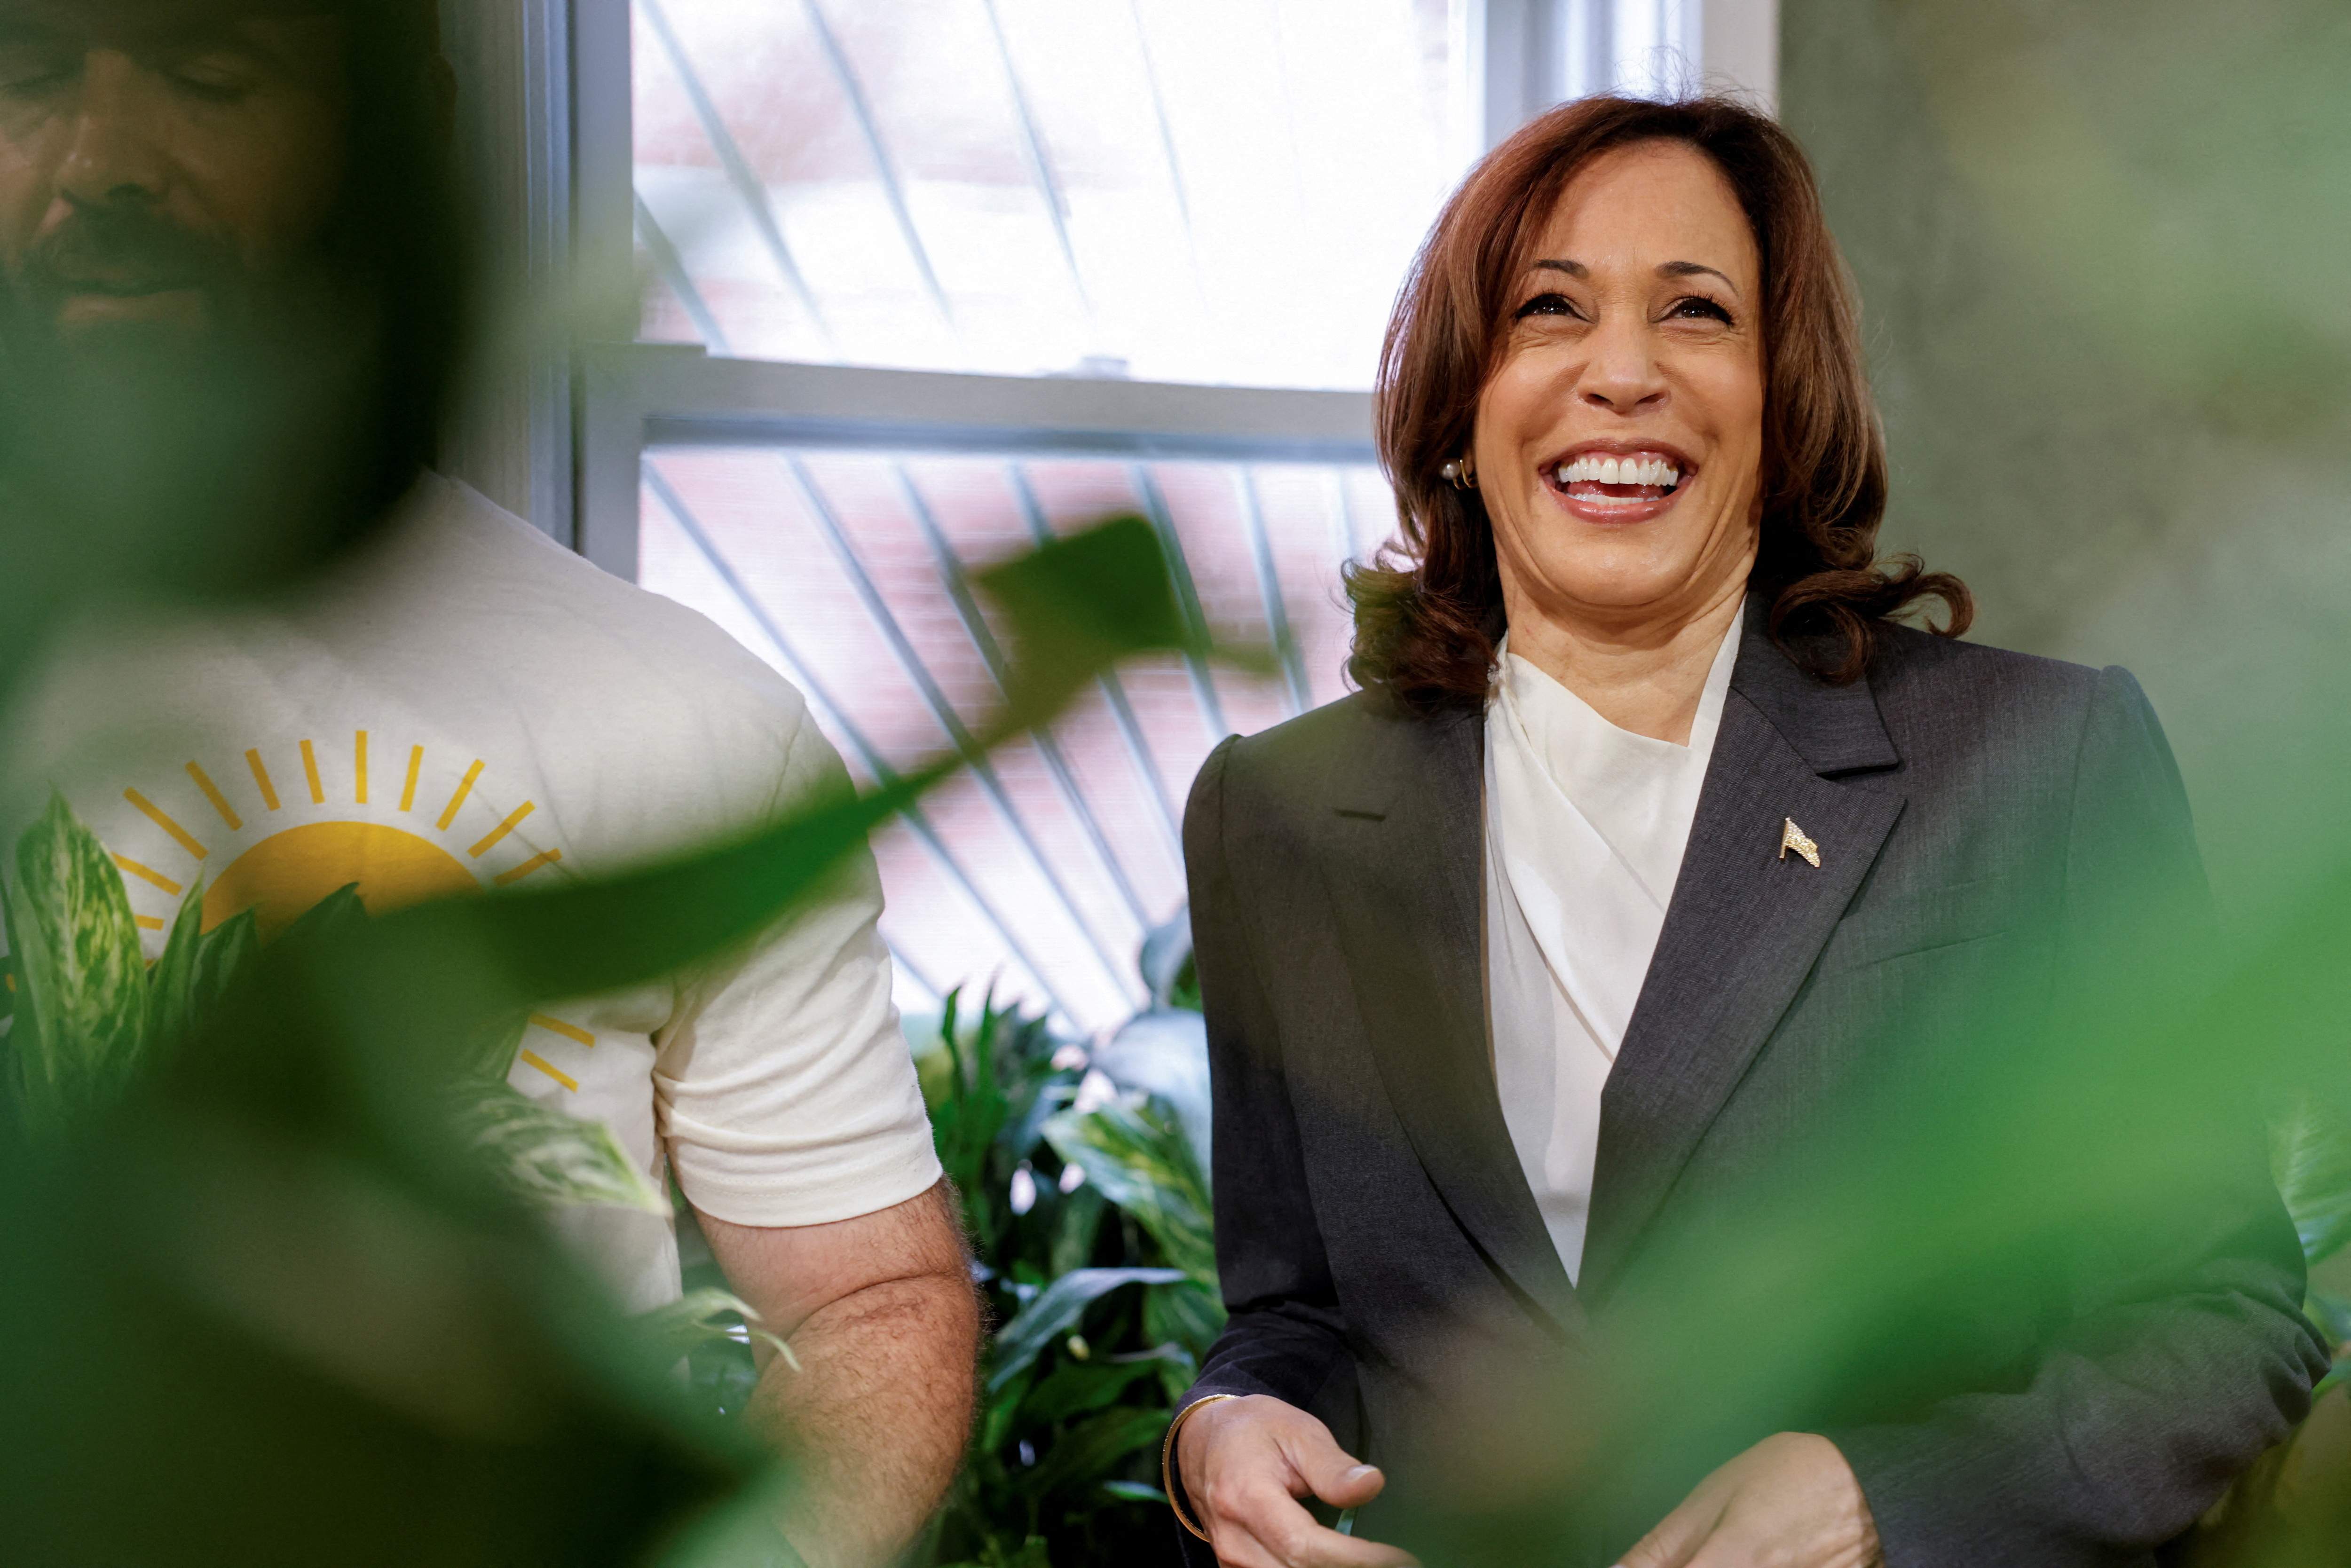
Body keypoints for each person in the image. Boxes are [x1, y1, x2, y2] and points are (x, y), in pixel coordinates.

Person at [1165, 95, 2329, 1568]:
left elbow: (2218, 1320)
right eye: (1549, 312)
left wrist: (1879, 1498)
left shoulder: (2037, 760)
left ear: (1784, 403)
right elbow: (1294, 1319)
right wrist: (1224, 1429)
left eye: (1697, 313)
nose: (1623, 375)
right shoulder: (1277, 817)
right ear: (1464, 404)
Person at [0, 5, 974, 1566]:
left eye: (210, 71)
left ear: (389, 142)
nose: (110, 156)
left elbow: (865, 1296)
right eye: (33, 74)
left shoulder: (675, 713)